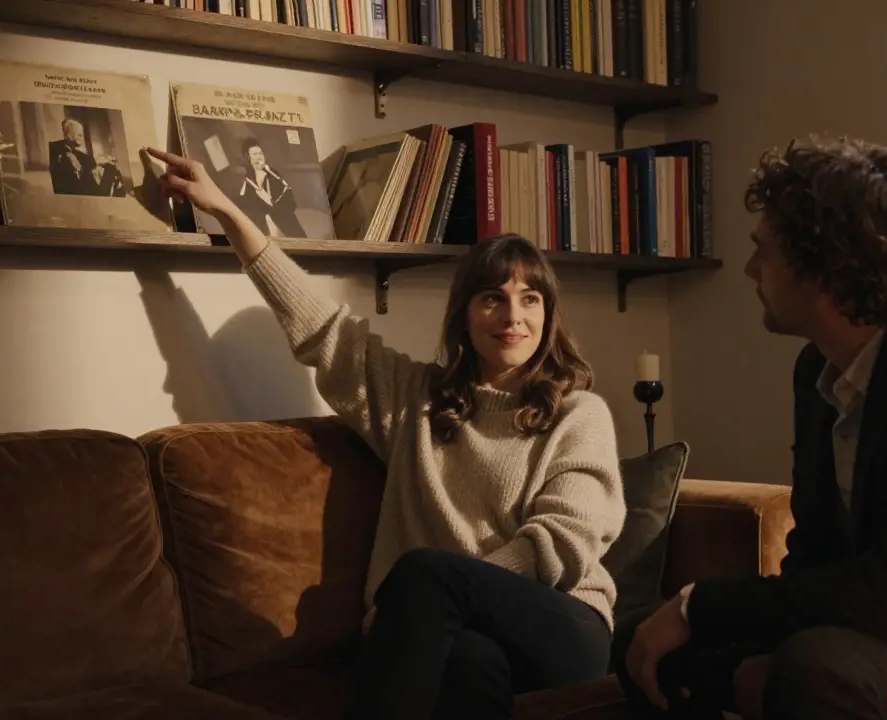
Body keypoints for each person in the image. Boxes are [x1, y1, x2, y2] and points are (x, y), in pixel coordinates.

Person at [145, 146, 627, 720]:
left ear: (547, 315)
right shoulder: (416, 400)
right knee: (469, 667)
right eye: (492, 297)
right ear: (464, 316)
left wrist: (413, 600)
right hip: (455, 632)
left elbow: (561, 545)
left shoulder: (578, 413)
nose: (512, 317)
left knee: (422, 573)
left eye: (530, 299)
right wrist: (226, 210)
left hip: (563, 622)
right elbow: (321, 327)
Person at [618, 136, 887, 720]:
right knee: (639, 643)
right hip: (883, 628)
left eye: (764, 252)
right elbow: (817, 551)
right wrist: (722, 634)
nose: (750, 269)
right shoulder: (818, 369)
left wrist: (699, 604)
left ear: (823, 263)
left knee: (816, 666)